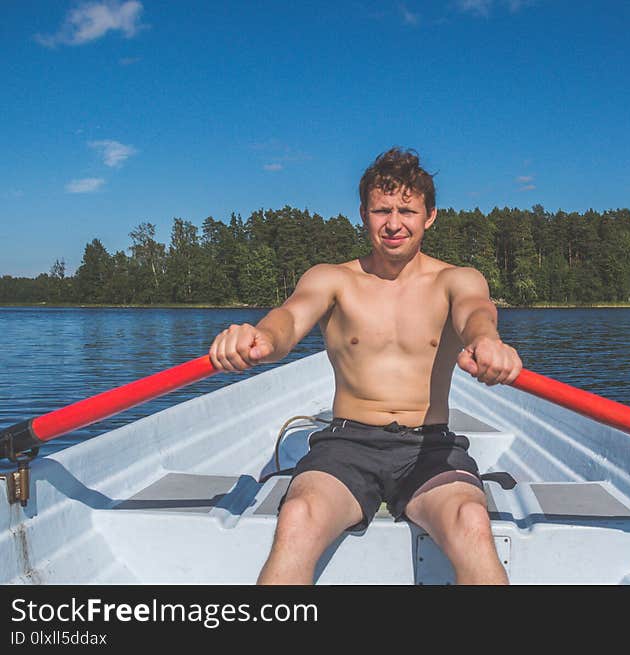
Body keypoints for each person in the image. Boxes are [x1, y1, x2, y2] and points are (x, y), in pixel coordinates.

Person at [208, 147, 522, 585]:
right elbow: (289, 319)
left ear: (429, 216)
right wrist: (258, 338)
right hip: (347, 444)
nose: (394, 223)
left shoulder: (457, 279)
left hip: (428, 445)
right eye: (382, 210)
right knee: (298, 515)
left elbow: (476, 315)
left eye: (407, 210)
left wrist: (488, 342)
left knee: (471, 518)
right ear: (363, 214)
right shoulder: (331, 278)